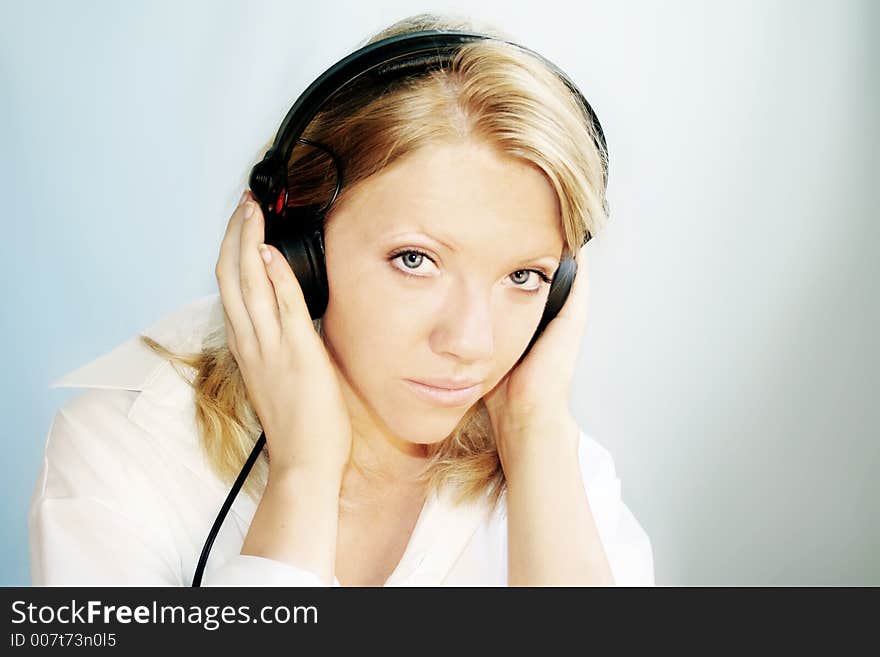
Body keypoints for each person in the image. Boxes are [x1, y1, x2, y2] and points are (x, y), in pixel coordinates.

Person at [29, 13, 655, 586]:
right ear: (298, 248)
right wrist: (303, 476)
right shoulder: (123, 454)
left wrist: (532, 430)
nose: (470, 342)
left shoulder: (562, 473)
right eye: (415, 260)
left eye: (524, 277)